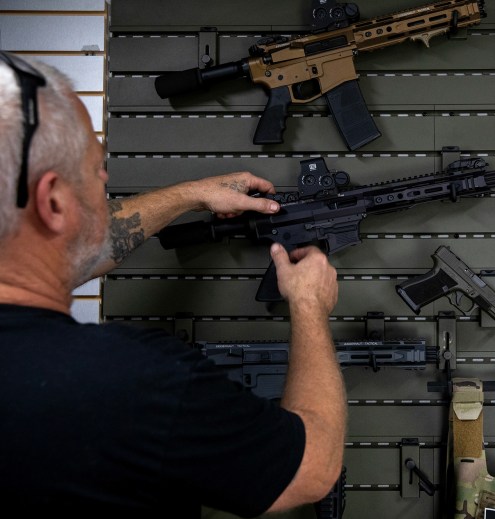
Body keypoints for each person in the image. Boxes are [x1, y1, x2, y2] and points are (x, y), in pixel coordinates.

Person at [0, 52, 346, 516]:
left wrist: (187, 195)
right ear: (54, 203)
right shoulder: (133, 380)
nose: (105, 180)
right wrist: (308, 305)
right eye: (96, 168)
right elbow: (313, 468)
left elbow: (81, 250)